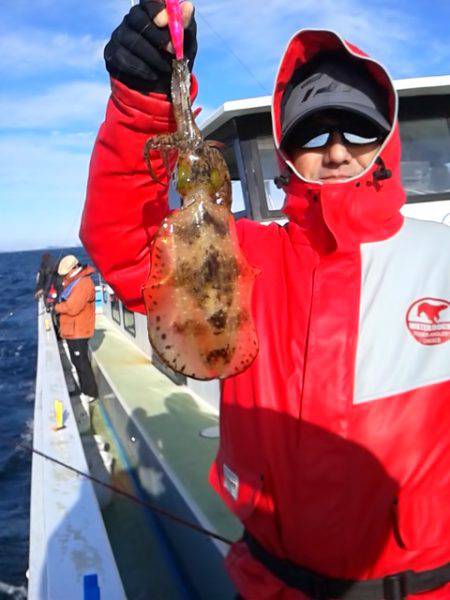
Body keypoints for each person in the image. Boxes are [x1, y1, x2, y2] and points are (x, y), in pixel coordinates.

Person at [80, 2, 450, 598]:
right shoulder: (245, 252)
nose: (336, 151)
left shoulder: (444, 259)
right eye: (310, 133)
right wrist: (145, 101)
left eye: (358, 129)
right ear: (285, 155)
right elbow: (124, 241)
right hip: (269, 584)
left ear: (388, 139)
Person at [54, 255, 99, 402]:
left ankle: (91, 394)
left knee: (81, 363)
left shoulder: (84, 283)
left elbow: (72, 308)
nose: (65, 276)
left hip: (79, 330)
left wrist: (55, 307)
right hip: (73, 330)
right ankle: (85, 390)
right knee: (77, 361)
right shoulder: (75, 281)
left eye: (66, 272)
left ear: (74, 268)